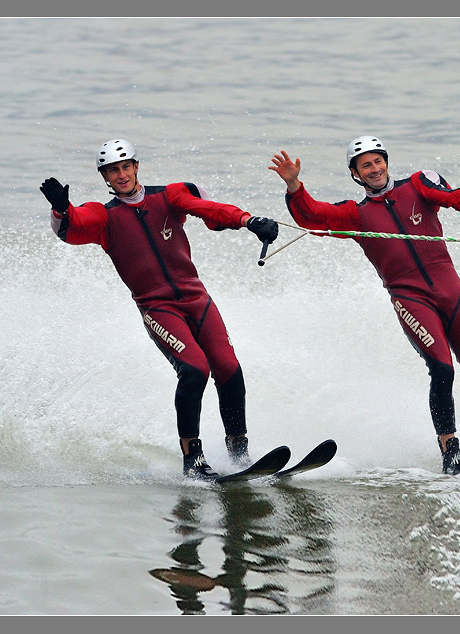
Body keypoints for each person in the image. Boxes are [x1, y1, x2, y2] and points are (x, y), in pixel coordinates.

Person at [269, 136, 460, 474]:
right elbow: (312, 216)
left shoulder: (419, 185)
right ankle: (452, 455)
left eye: (378, 161)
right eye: (366, 166)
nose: (375, 169)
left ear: (387, 161)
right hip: (411, 299)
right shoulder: (356, 215)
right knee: (443, 369)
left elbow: (455, 197)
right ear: (356, 175)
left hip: (453, 291)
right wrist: (294, 185)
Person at [40, 139, 280, 480]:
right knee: (196, 369)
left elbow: (209, 209)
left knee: (228, 367)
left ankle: (239, 453)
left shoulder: (168, 196)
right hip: (157, 308)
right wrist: (62, 209)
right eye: (112, 171)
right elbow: (72, 228)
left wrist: (248, 220)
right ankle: (192, 459)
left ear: (136, 166)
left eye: (125, 167)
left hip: (197, 298)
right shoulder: (104, 216)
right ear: (105, 177)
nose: (121, 175)